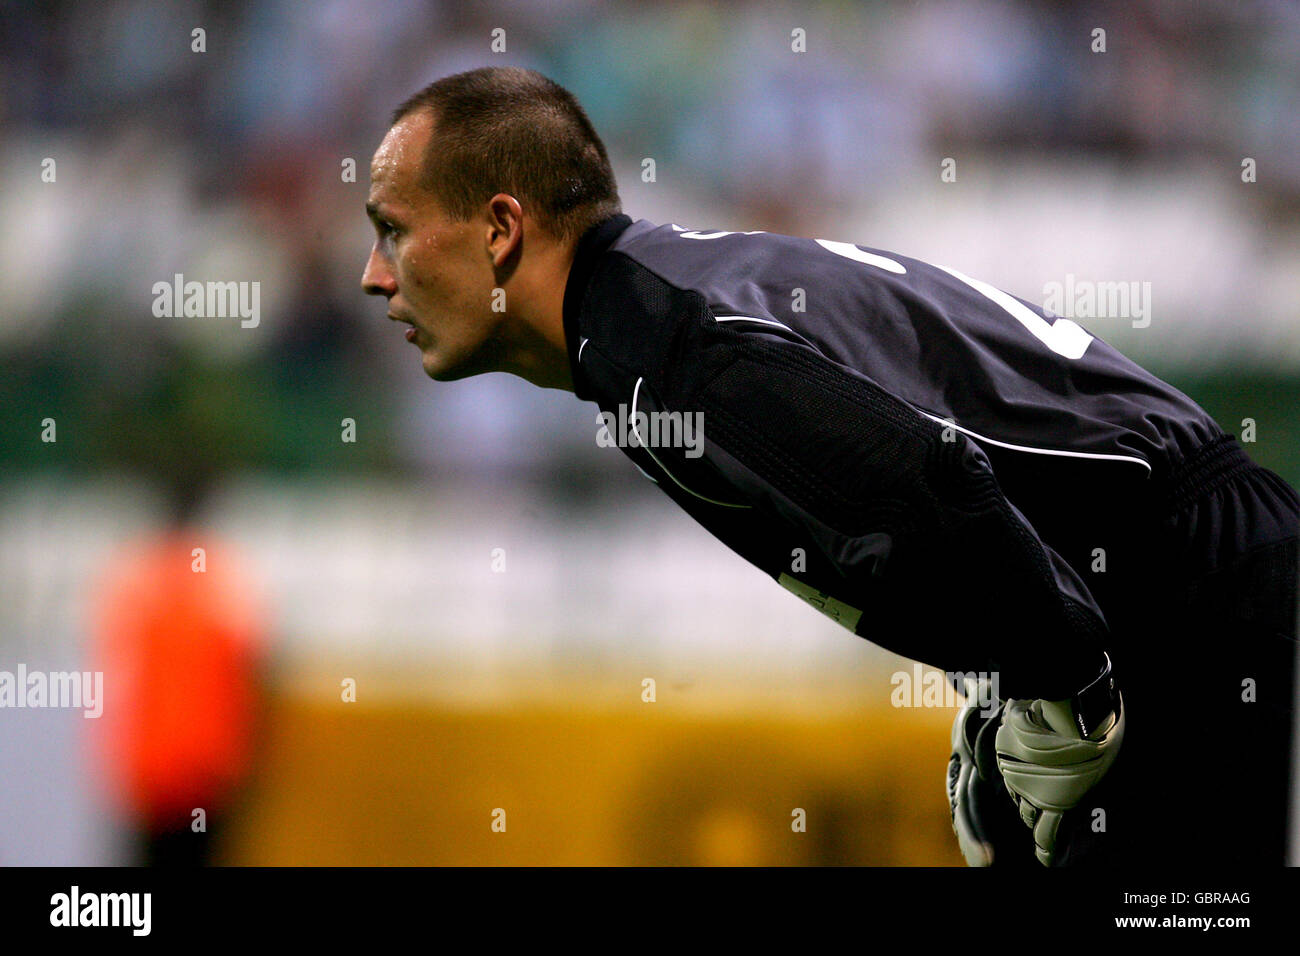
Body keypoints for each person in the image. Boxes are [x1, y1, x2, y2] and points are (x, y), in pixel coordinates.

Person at [360, 66, 1299, 867]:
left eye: (393, 228)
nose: (375, 273)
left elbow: (929, 477)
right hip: (1163, 560)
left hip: (1182, 580)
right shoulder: (646, 309)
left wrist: (1062, 686)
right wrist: (1007, 678)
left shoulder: (667, 343)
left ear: (498, 228)